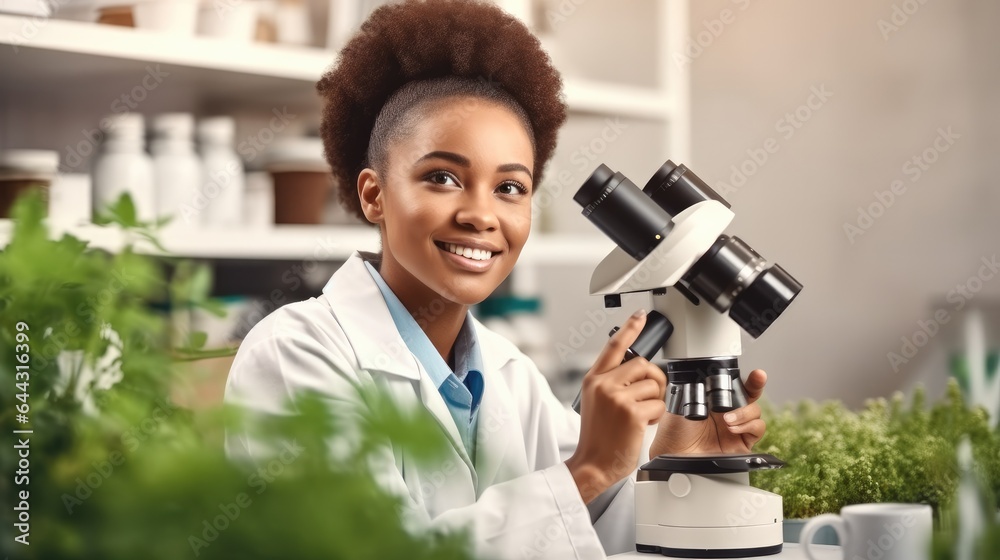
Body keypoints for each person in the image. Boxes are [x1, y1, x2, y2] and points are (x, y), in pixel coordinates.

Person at [224, 1, 768, 558]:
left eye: (510, 188)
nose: (481, 215)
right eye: (442, 177)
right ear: (373, 195)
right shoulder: (294, 354)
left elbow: (593, 534)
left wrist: (672, 458)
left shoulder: (510, 375)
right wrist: (587, 467)